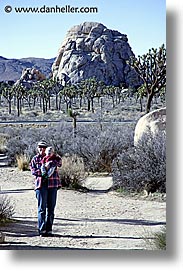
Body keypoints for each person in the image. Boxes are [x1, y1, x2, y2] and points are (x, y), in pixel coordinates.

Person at [30, 140, 62, 237]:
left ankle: (49, 229)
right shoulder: (35, 159)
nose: (42, 149)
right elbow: (33, 171)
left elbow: (60, 163)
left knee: (51, 208)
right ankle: (42, 230)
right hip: (41, 185)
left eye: (44, 147)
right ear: (37, 148)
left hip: (53, 185)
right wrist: (44, 171)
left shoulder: (54, 158)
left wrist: (51, 162)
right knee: (42, 209)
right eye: (40, 147)